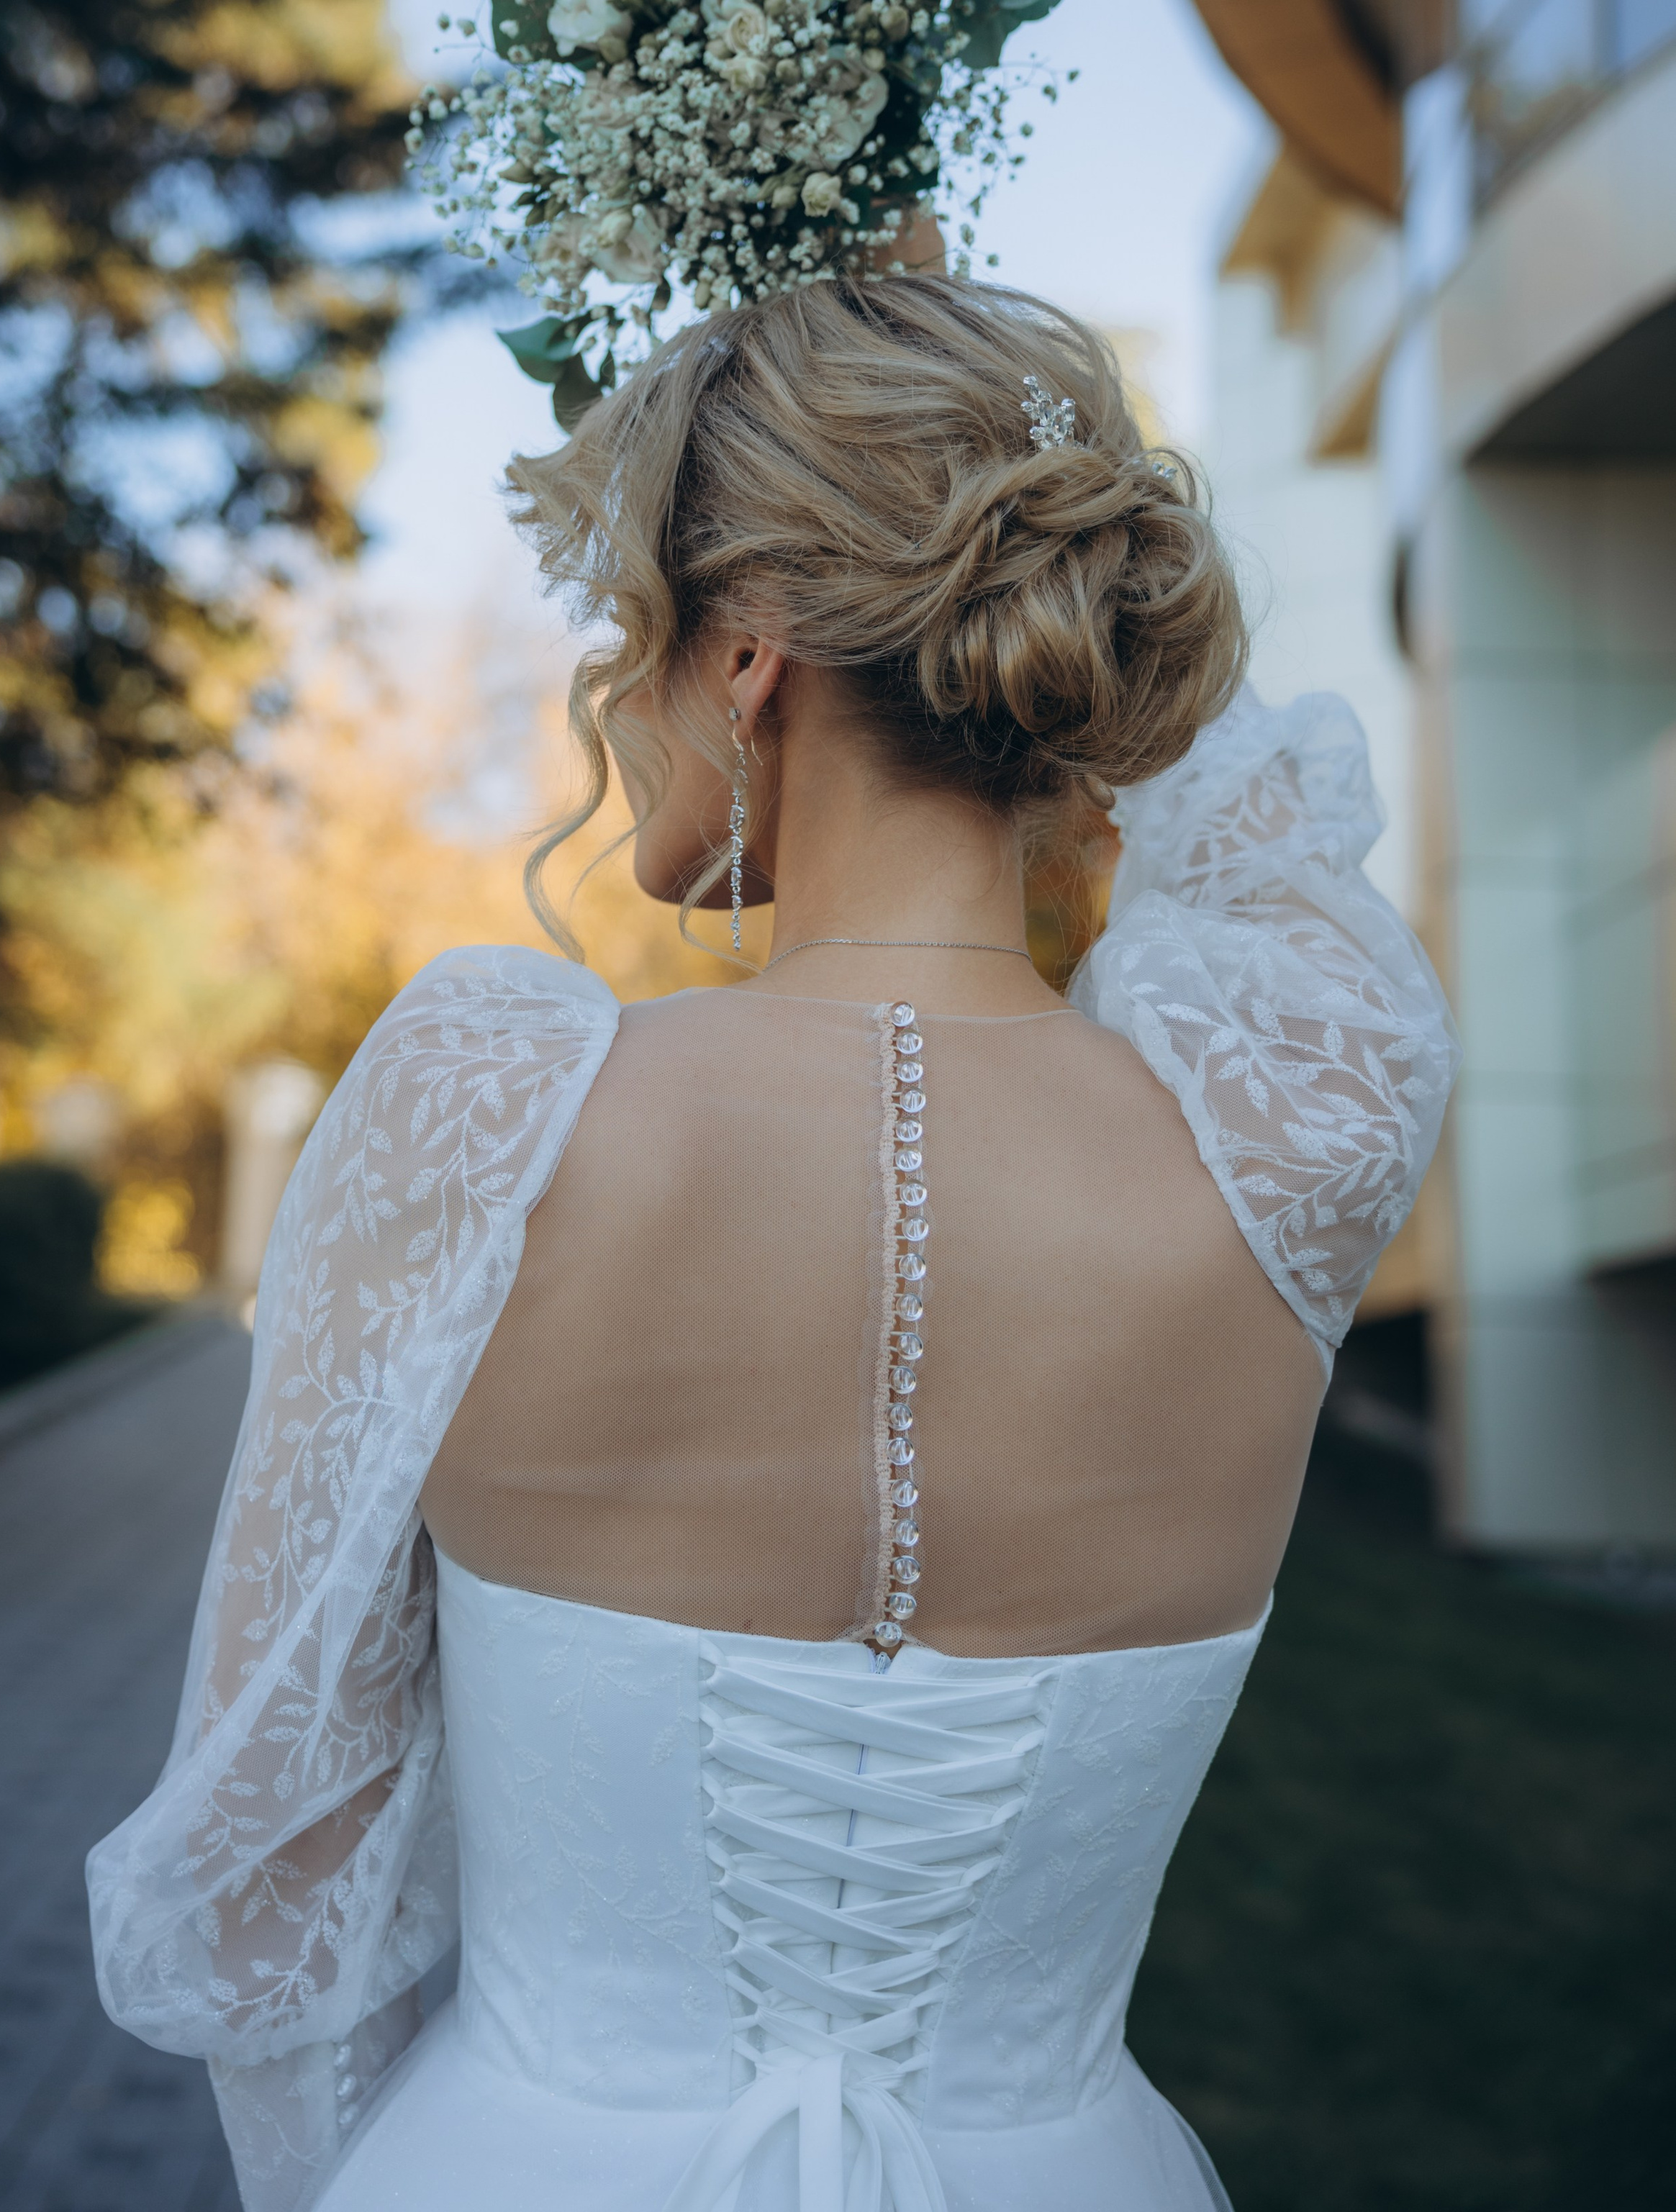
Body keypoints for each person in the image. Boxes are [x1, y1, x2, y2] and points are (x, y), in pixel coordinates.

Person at [89, 274, 1459, 2212]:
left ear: (745, 660)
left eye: (626, 624)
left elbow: (277, 1867)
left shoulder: (492, 1109)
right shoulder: (1296, 1131)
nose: (608, 690)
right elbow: (1258, 829)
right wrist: (973, 435)